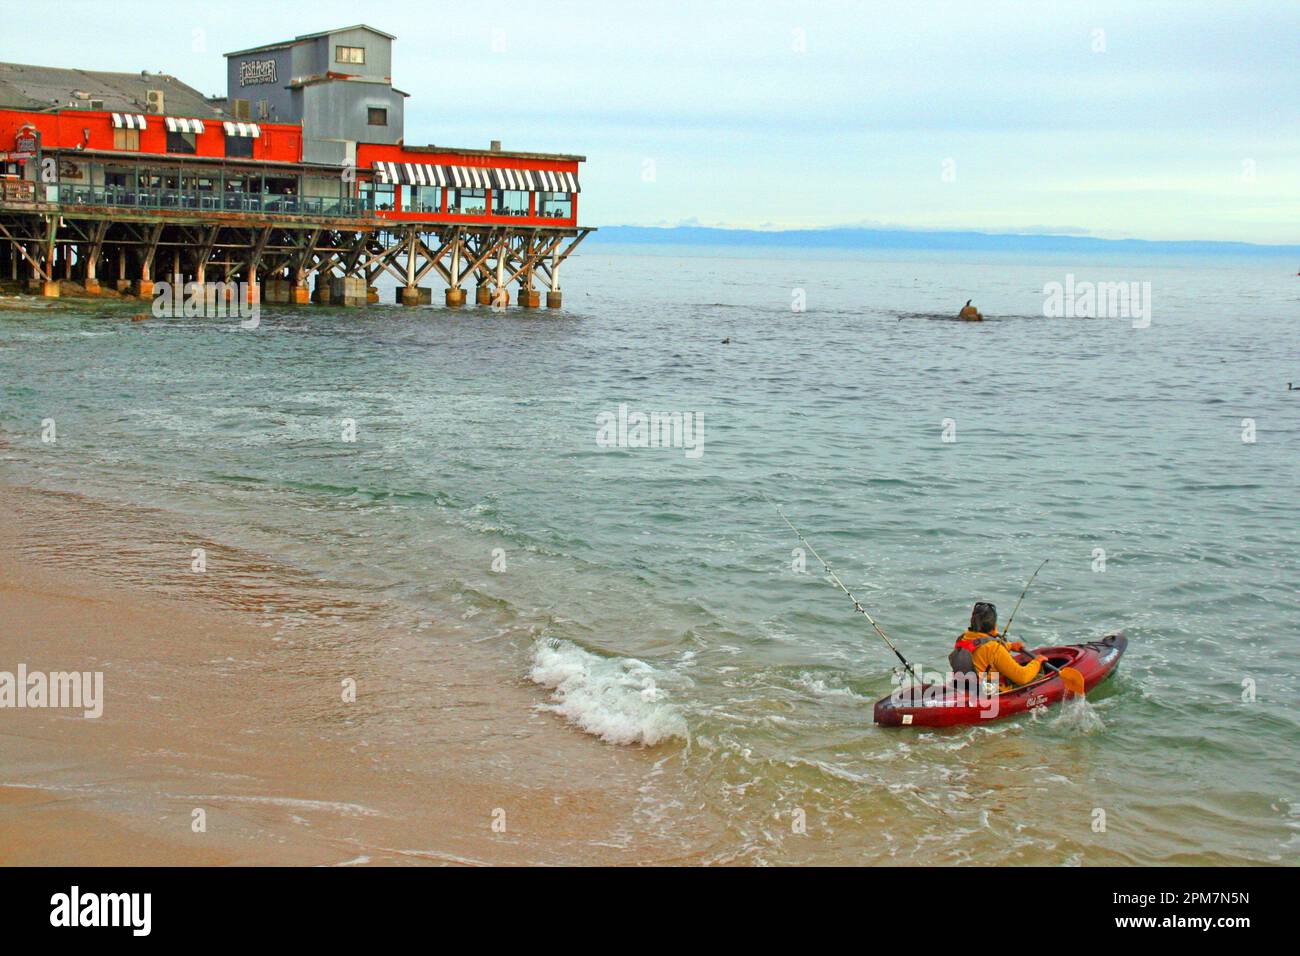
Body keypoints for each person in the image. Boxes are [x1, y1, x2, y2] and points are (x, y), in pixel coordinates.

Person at [949, 601, 1045, 690]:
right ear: (994, 626)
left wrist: (1010, 646)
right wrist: (1037, 661)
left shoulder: (963, 638)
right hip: (991, 692)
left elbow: (980, 648)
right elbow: (1022, 677)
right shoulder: (994, 648)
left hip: (966, 687)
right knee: (1040, 676)